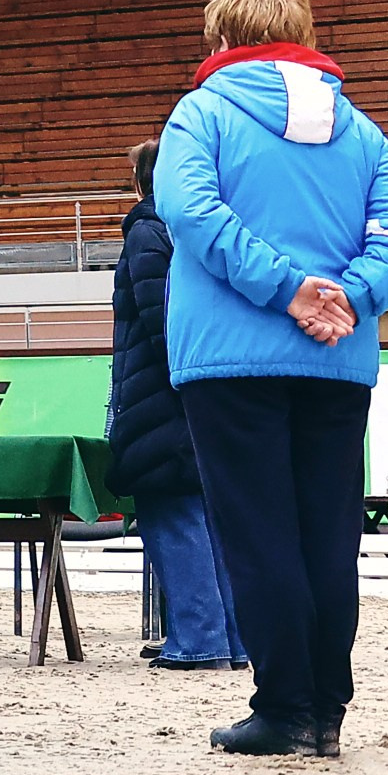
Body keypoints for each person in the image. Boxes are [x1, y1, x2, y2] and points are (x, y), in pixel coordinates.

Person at [156, 0, 388, 757]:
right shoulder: (360, 130)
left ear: (223, 40)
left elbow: (192, 212)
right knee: (326, 536)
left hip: (230, 357)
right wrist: (351, 292)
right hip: (337, 356)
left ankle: (283, 708)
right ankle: (328, 710)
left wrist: (286, 288)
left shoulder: (200, 114)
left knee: (259, 534)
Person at [107, 139, 244, 672]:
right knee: (210, 519)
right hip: (203, 390)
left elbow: (159, 315)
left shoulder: (148, 229)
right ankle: (232, 640)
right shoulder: (203, 229)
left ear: (142, 182)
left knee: (173, 514)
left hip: (160, 395)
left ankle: (199, 639)